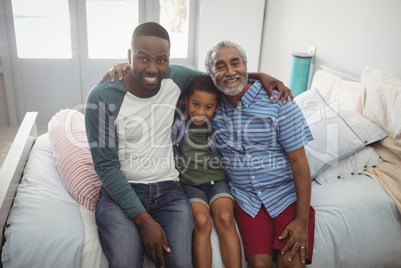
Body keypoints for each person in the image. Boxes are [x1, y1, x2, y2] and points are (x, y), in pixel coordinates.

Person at [87, 22, 292, 267]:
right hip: (122, 191)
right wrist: (143, 220)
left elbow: (220, 79)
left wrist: (261, 76)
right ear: (129, 56)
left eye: (161, 60)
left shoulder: (176, 76)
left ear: (169, 59)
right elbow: (106, 167)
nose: (153, 68)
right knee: (125, 261)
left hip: (169, 190)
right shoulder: (101, 96)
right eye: (142, 59)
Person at [205, 40, 316, 268]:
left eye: (236, 64)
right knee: (259, 264)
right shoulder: (212, 107)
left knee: (291, 263)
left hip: (286, 196)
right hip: (247, 201)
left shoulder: (279, 101)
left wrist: (301, 221)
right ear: (211, 74)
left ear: (245, 66)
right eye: (220, 66)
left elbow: (299, 162)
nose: (230, 71)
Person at [171, 74, 241, 267]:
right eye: (195, 104)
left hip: (217, 181)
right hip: (190, 183)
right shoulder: (178, 116)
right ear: (187, 100)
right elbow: (159, 97)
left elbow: (237, 85)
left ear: (217, 107)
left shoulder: (220, 119)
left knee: (226, 218)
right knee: (201, 221)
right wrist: (182, 101)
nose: (200, 112)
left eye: (208, 107)